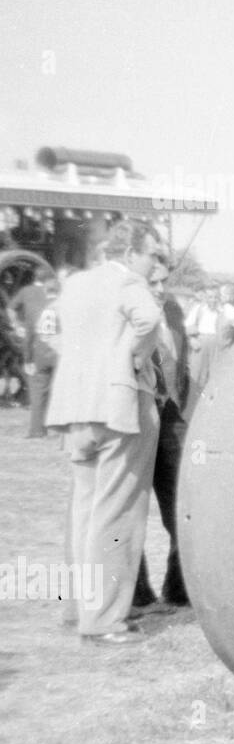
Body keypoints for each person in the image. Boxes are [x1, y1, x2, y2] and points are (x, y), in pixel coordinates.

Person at [45, 220, 164, 644]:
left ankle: (80, 609)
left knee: (85, 510)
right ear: (131, 253)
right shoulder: (128, 281)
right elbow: (149, 319)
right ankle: (105, 620)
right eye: (154, 254)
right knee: (117, 514)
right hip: (118, 407)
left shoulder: (75, 283)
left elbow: (50, 331)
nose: (157, 264)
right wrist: (130, 361)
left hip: (74, 406)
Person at [133, 253, 193, 612]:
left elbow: (180, 361)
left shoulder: (172, 310)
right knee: (130, 507)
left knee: (182, 504)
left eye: (163, 281)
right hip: (135, 417)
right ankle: (136, 592)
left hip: (172, 417)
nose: (159, 289)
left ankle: (180, 586)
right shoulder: (124, 313)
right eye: (151, 282)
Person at [21, 273, 61, 438]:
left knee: (37, 393)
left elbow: (29, 336)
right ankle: (64, 432)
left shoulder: (35, 308)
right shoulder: (64, 306)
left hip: (39, 355)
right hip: (59, 353)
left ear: (45, 290)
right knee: (62, 392)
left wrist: (27, 358)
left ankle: (37, 430)